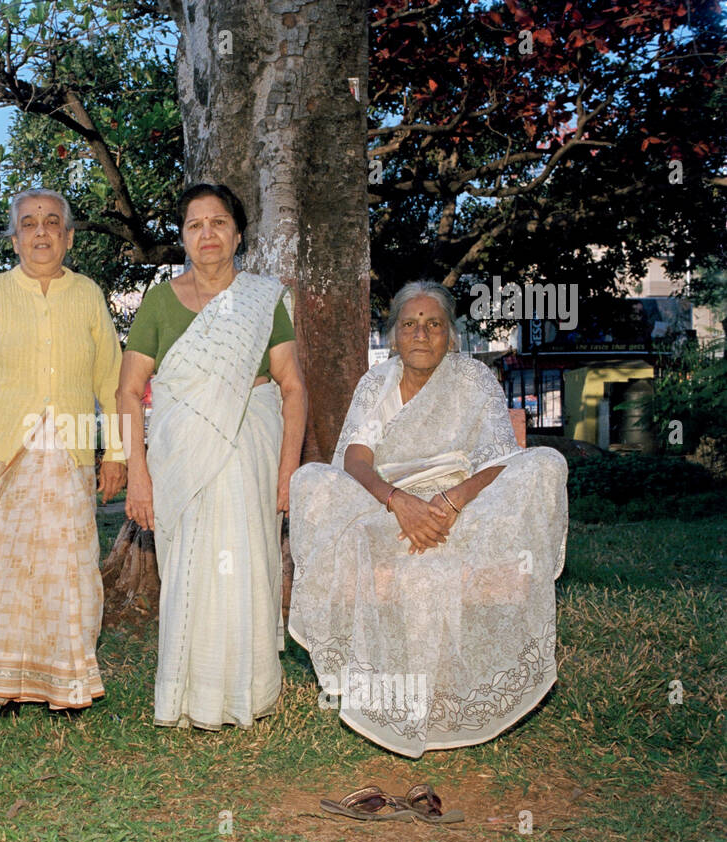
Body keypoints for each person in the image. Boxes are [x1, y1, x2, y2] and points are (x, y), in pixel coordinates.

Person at [287, 281, 569, 757]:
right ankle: (390, 691)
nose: (421, 334)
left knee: (545, 462)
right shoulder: (377, 383)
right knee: (310, 479)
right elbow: (356, 460)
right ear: (394, 334)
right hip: (385, 506)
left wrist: (452, 501)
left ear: (450, 336)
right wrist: (398, 501)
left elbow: (500, 459)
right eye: (410, 324)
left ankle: (450, 698)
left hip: (463, 507)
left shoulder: (473, 379)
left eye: (433, 324)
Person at [117, 183, 308, 730]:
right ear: (183, 238)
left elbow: (291, 386)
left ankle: (248, 693)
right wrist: (139, 475)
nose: (208, 234)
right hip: (182, 454)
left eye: (219, 222)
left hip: (252, 442)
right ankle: (189, 694)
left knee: (247, 561)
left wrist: (288, 469)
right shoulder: (159, 301)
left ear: (238, 234)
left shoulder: (263, 299)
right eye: (196, 224)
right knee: (191, 570)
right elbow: (128, 391)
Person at [0, 188, 127, 714]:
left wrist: (117, 454)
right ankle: (3, 685)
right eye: (29, 223)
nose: (41, 232)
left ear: (67, 236)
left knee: (69, 567)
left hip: (67, 455)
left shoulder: (88, 295)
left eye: (52, 223)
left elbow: (112, 380)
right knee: (1, 570)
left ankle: (66, 685)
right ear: (15, 238)